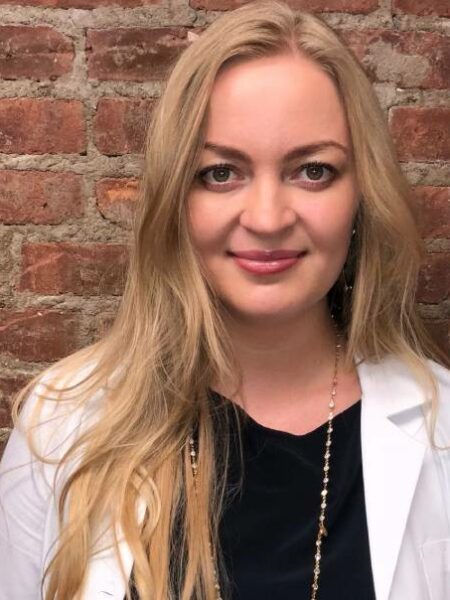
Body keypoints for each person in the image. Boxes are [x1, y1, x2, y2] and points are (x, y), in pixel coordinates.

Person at [0, 1, 449, 599]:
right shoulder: (59, 424)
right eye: (220, 173)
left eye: (313, 171)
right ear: (175, 197)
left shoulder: (441, 433)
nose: (267, 218)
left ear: (362, 194)